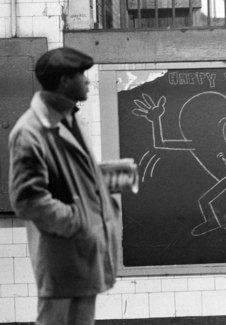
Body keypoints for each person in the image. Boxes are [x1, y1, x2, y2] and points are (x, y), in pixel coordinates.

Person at [8, 47, 121, 325]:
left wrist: (106, 177)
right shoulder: (30, 131)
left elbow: (73, 177)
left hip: (85, 249)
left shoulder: (73, 119)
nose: (88, 81)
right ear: (63, 82)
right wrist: (78, 222)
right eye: (81, 75)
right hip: (63, 252)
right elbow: (28, 200)